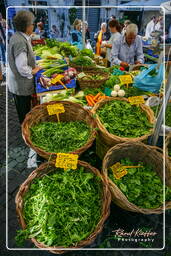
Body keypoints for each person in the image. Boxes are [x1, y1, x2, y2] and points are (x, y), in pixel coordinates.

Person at [8, 10, 42, 124]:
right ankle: (25, 132)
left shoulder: (19, 36)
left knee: (23, 110)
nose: (33, 26)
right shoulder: (19, 42)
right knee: (24, 112)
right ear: (27, 26)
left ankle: (25, 127)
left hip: (18, 82)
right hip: (20, 84)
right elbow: (22, 68)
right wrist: (34, 70)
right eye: (32, 24)